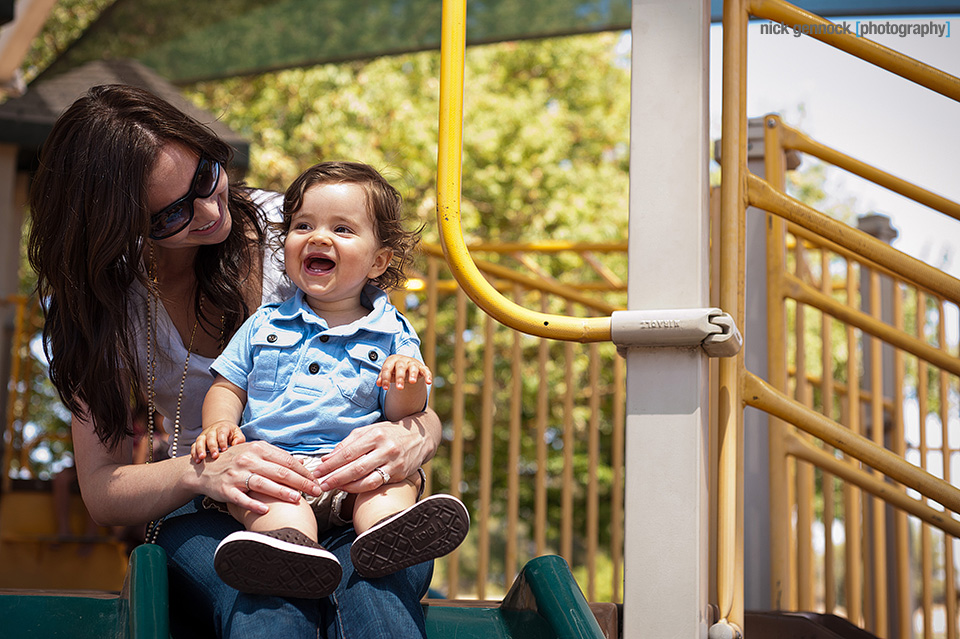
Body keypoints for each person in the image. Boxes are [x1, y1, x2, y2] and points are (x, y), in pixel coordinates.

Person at [27, 84, 445, 638]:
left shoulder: (297, 234)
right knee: (271, 597)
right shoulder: (102, 303)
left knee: (376, 594)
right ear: (114, 224)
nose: (208, 209)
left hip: (351, 492)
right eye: (171, 212)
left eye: (205, 176)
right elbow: (103, 491)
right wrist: (209, 471)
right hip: (222, 508)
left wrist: (417, 434)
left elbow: (397, 379)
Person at [190, 161, 468, 598]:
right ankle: (291, 553)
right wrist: (219, 425)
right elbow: (228, 386)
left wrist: (406, 381)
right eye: (303, 225)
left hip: (354, 474)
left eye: (342, 229)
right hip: (279, 469)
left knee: (389, 486)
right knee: (275, 507)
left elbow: (403, 417)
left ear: (378, 261)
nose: (319, 237)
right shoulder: (265, 323)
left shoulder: (394, 333)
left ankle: (387, 534)